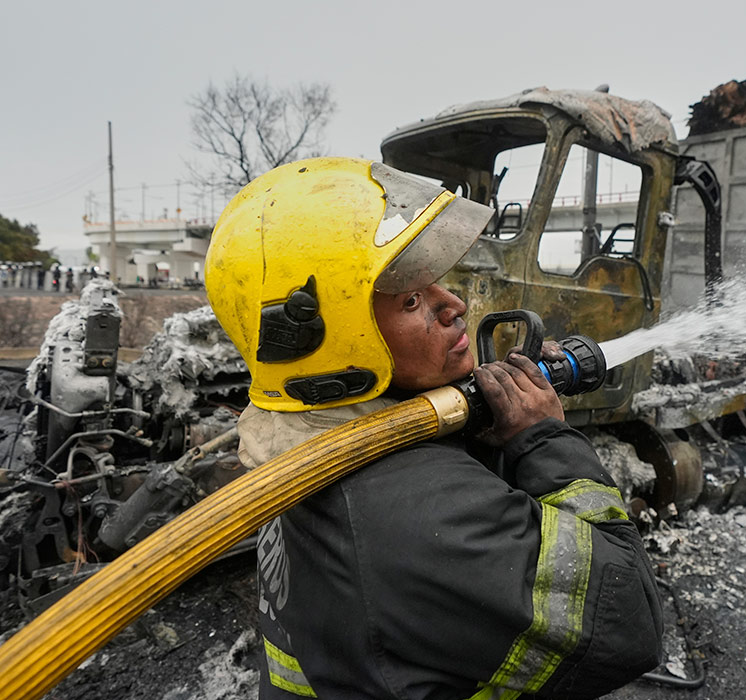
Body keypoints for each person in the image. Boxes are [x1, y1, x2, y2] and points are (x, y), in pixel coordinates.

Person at [205, 157, 663, 700]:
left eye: (436, 284)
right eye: (412, 300)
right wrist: (541, 438)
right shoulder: (419, 511)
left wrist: (489, 432)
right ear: (341, 341)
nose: (456, 305)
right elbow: (628, 618)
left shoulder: (304, 442)